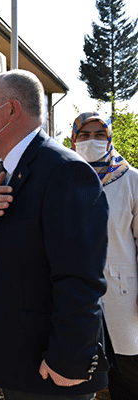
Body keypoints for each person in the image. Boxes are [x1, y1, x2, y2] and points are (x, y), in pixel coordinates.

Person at [0, 70, 110, 399]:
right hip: (17, 359)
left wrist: (67, 360)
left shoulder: (65, 171)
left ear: (10, 110)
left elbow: (80, 279)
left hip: (50, 369)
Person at [71, 111, 138, 400]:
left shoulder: (131, 179)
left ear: (110, 138)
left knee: (127, 366)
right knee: (81, 364)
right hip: (74, 288)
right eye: (84, 135)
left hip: (123, 287)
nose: (91, 140)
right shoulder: (65, 178)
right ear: (73, 139)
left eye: (100, 134)